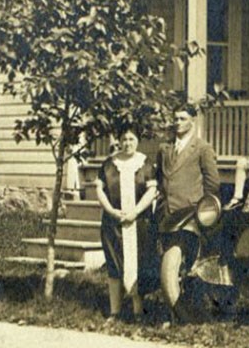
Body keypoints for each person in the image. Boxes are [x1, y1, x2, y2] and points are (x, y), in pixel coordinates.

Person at [156, 104, 219, 319]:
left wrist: (206, 211)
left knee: (191, 266)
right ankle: (170, 313)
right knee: (166, 264)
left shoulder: (202, 148)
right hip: (168, 213)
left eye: (183, 118)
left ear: (193, 120)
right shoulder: (164, 149)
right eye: (176, 118)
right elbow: (160, 178)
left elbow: (212, 184)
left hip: (191, 215)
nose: (178, 122)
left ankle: (192, 312)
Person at [94, 127, 158, 320]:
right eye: (124, 139)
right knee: (115, 265)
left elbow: (151, 191)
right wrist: (112, 211)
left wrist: (136, 212)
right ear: (119, 141)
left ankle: (138, 310)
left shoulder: (145, 163)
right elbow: (100, 190)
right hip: (113, 224)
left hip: (140, 223)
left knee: (139, 264)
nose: (128, 143)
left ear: (138, 140)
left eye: (132, 138)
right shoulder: (109, 163)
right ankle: (115, 311)